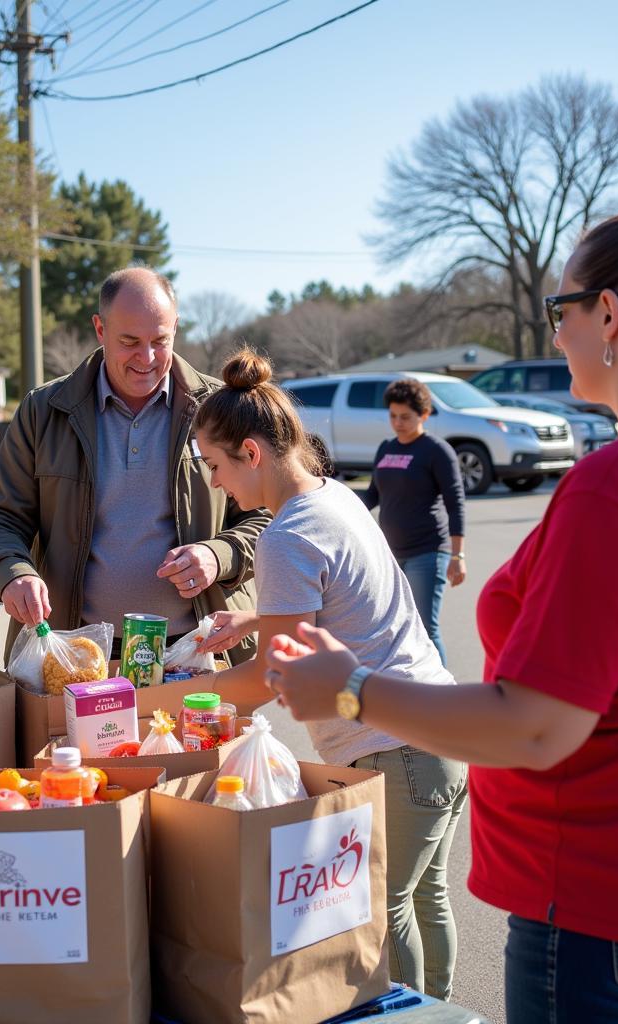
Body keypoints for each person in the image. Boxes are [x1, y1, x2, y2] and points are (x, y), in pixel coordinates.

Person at [264, 208, 618, 1022]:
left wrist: (352, 691)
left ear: (611, 315)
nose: (556, 335)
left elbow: (535, 727)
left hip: (600, 903)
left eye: (562, 312)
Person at [194, 348, 468, 1001]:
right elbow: (349, 602)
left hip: (390, 751)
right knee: (424, 900)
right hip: (438, 735)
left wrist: (153, 701)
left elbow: (267, 681)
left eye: (215, 466)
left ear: (252, 453)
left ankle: (412, 1018)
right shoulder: (332, 496)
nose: (214, 484)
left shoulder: (285, 536)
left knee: (383, 912)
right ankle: (444, 1015)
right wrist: (257, 621)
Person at [0, 267, 269, 664]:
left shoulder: (220, 409)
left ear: (176, 327)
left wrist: (219, 555)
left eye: (160, 341)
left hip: (196, 649)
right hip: (75, 656)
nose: (146, 358)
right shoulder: (44, 411)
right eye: (129, 341)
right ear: (99, 329)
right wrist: (13, 572)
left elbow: (269, 514)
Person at [362, 378, 466, 665]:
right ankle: (416, 693)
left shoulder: (436, 451)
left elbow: (455, 504)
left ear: (424, 415)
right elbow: (372, 495)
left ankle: (443, 697)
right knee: (398, 629)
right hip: (392, 555)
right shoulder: (386, 448)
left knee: (426, 629)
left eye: (405, 417)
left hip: (428, 552)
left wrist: (458, 554)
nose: (398, 423)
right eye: (393, 416)